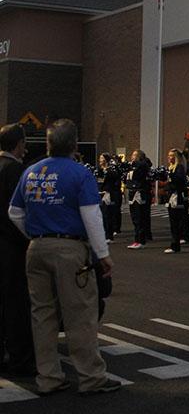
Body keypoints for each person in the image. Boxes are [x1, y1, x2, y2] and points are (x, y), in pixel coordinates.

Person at [8, 119, 121, 395]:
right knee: (79, 313)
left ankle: (49, 377)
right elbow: (91, 216)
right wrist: (102, 254)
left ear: (47, 144)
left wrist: (36, 236)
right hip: (69, 248)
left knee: (42, 315)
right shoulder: (79, 174)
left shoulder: (30, 172)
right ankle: (91, 377)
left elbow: (14, 212)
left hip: (36, 248)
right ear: (74, 144)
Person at [0, 124, 34, 377]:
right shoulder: (16, 171)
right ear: (18, 144)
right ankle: (20, 360)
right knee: (16, 305)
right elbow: (20, 213)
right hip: (12, 247)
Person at [124, 150, 151, 249]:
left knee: (140, 217)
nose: (132, 157)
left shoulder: (142, 165)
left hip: (139, 192)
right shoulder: (132, 167)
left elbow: (143, 166)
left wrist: (132, 164)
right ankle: (137, 239)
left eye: (134, 155)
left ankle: (141, 240)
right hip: (132, 192)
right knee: (135, 218)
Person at [164, 149, 189, 254]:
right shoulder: (170, 168)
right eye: (169, 155)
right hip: (171, 197)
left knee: (177, 222)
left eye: (172, 156)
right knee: (173, 222)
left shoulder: (179, 168)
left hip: (177, 197)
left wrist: (170, 175)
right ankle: (174, 244)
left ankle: (176, 245)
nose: (169, 157)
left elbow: (179, 181)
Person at [96, 153, 122, 242]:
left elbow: (116, 181)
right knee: (101, 216)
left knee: (107, 215)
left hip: (107, 194)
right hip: (99, 194)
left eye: (102, 158)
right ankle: (103, 234)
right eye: (99, 158)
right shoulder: (98, 170)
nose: (100, 160)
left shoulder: (111, 171)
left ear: (106, 160)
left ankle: (109, 236)